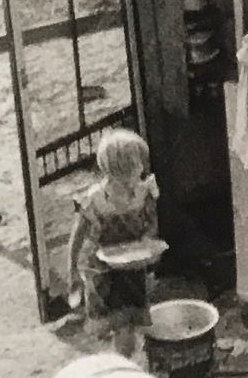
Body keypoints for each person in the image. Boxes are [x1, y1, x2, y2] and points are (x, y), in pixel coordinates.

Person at [66, 128, 162, 357]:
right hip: (104, 273)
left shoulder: (141, 192)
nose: (143, 169)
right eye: (138, 164)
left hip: (132, 270)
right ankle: (121, 366)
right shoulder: (96, 200)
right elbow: (77, 236)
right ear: (121, 169)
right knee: (122, 329)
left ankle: (122, 363)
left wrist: (150, 241)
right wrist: (71, 270)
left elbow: (151, 222)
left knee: (129, 326)